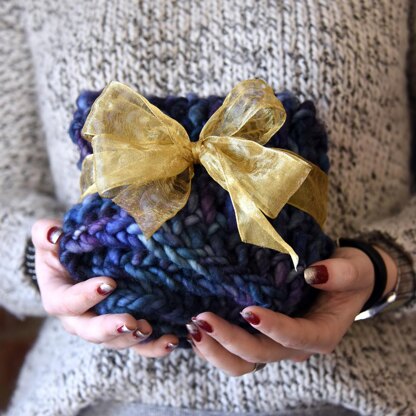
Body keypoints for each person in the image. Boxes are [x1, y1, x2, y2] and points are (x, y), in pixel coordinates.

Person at [0, 0, 415, 415]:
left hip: (360, 394)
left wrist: (390, 265)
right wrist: (40, 260)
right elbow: (8, 191)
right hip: (83, 398)